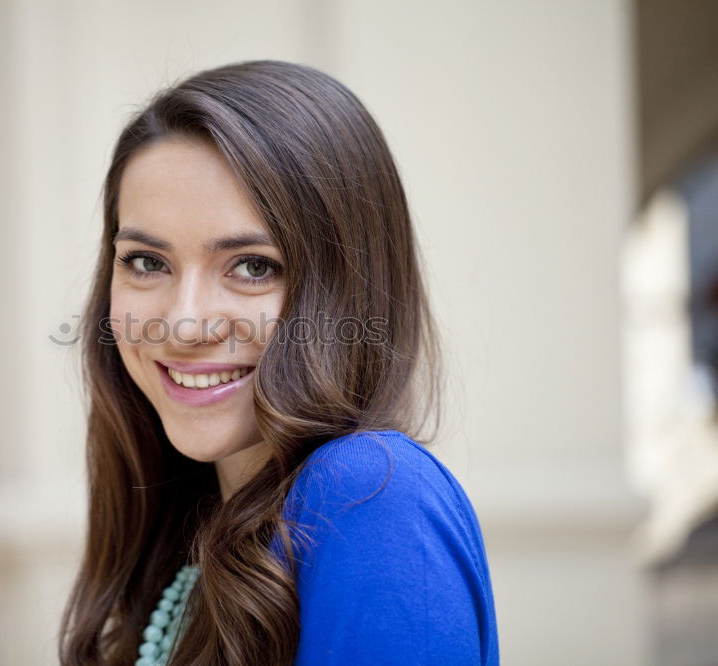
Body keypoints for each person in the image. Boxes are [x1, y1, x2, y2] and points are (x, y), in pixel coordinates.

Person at [59, 60, 499, 665]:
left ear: (348, 289)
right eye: (147, 262)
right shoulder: (193, 541)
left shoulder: (372, 496)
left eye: (253, 266)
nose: (185, 324)